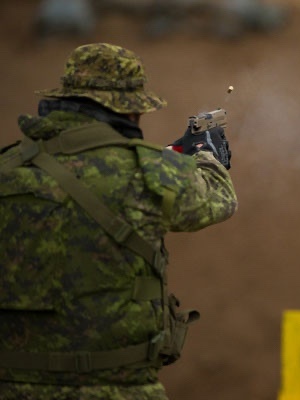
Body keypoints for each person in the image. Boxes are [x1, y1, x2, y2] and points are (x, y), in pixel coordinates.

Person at [0, 43, 237, 399]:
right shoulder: (149, 171)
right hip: (117, 388)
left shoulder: (7, 167)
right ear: (128, 112)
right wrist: (206, 158)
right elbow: (218, 200)